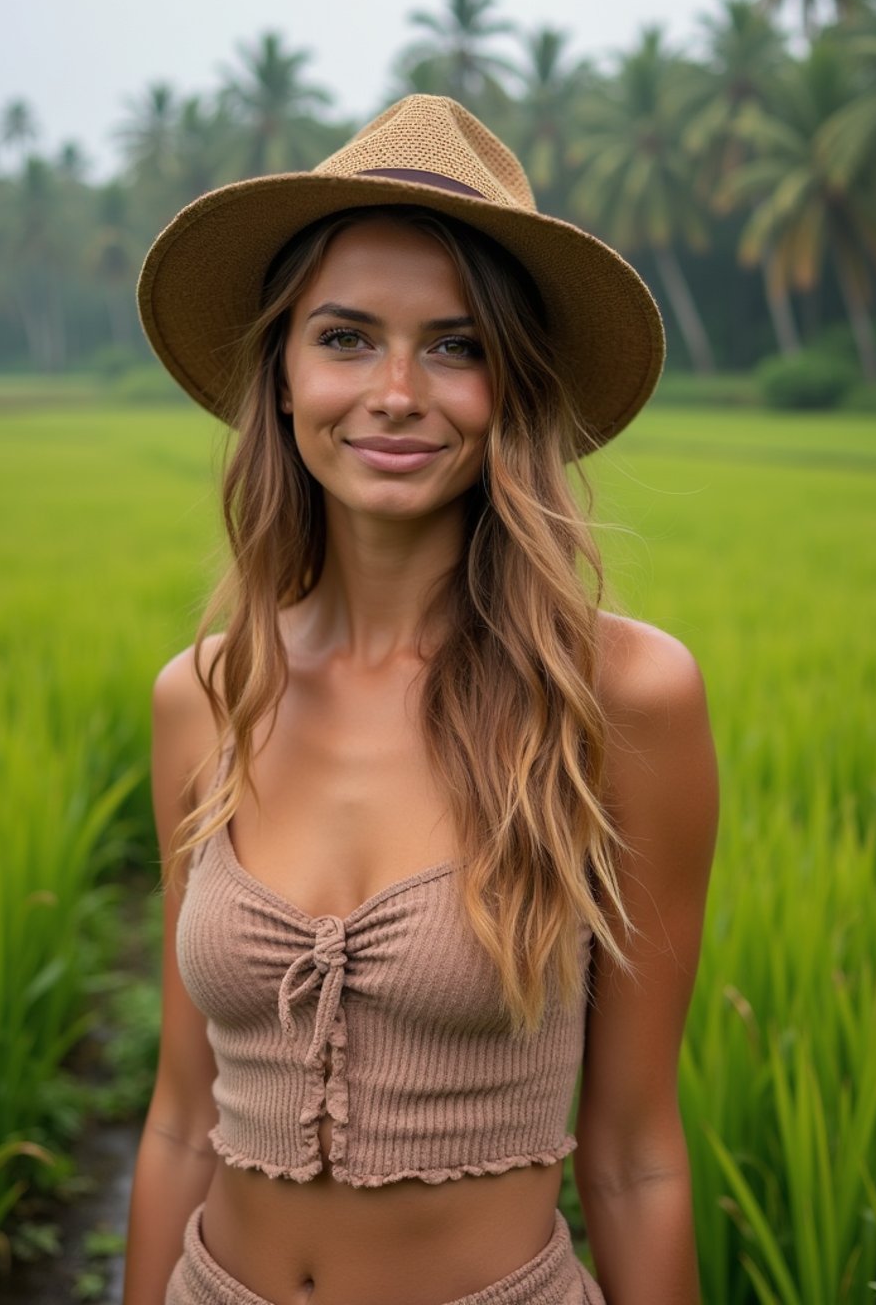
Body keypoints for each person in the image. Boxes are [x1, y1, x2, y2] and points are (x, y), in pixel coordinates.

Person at [124, 94, 719, 1305]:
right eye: (345, 338)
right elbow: (182, 1120)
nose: (396, 390)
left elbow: (635, 1157)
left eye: (455, 346)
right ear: (282, 378)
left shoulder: (619, 700)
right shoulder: (206, 696)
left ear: (513, 388)